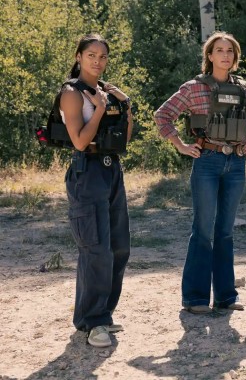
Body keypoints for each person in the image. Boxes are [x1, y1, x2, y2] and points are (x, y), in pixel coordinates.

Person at [154, 32, 246, 314]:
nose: (225, 55)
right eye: (220, 50)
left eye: (230, 51)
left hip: (235, 163)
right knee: (203, 231)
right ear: (210, 55)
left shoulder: (242, 88)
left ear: (235, 57)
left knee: (225, 232)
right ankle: (195, 298)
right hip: (206, 162)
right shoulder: (194, 88)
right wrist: (180, 145)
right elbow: (162, 115)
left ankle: (226, 296)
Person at [60, 33, 134, 348]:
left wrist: (125, 105)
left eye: (102, 56)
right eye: (91, 55)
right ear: (79, 57)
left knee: (119, 248)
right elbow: (78, 141)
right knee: (96, 249)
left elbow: (124, 140)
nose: (97, 61)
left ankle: (103, 314)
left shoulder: (106, 91)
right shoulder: (72, 93)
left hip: (111, 168)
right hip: (87, 172)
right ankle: (93, 322)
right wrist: (101, 109)